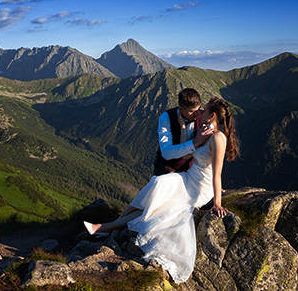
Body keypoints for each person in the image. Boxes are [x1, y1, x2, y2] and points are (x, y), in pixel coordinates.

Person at [84, 97, 240, 284]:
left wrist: (217, 202)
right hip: (189, 179)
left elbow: (217, 172)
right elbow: (196, 157)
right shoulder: (207, 133)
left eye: (204, 110)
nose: (200, 113)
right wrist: (198, 140)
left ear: (212, 115)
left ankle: (104, 228)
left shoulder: (218, 138)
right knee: (159, 184)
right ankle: (112, 225)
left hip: (197, 190)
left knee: (158, 208)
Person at [153, 88, 215, 176]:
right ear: (181, 109)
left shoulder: (203, 117)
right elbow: (166, 153)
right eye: (191, 111)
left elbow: (212, 149)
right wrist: (194, 142)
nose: (197, 114)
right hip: (166, 168)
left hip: (192, 169)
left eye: (198, 109)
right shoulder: (166, 118)